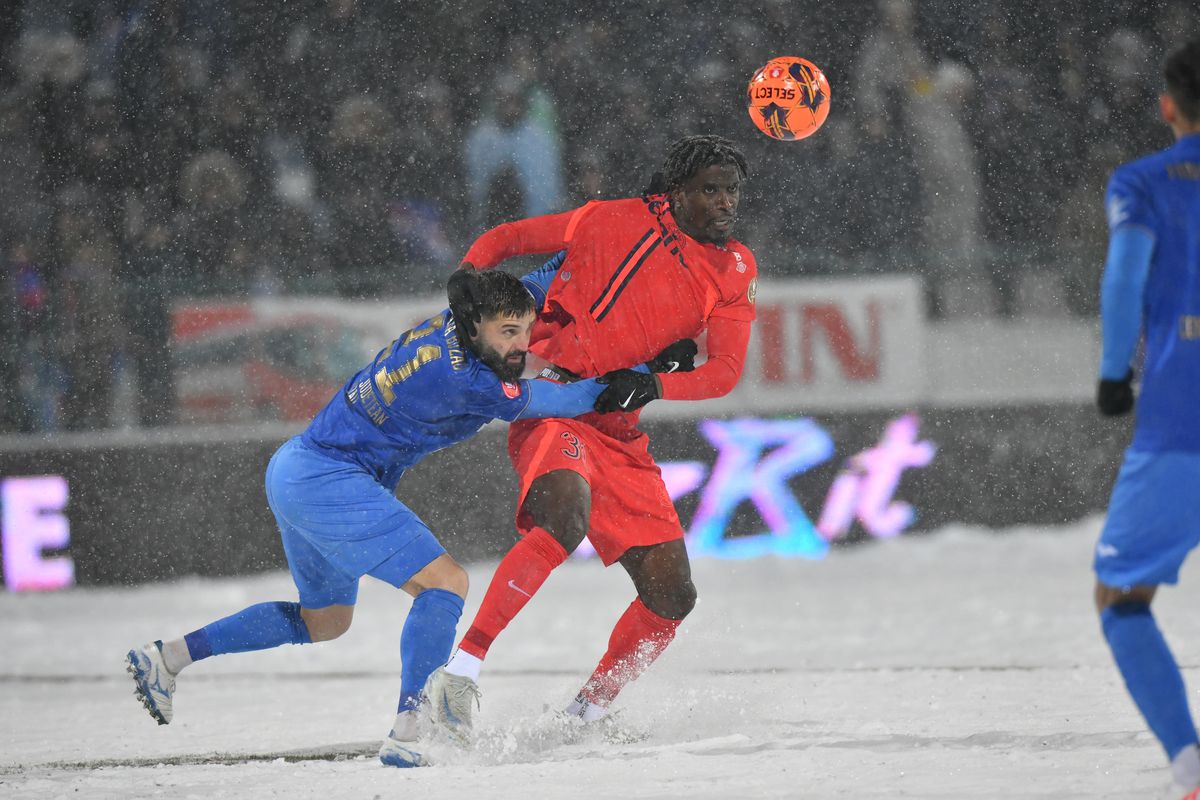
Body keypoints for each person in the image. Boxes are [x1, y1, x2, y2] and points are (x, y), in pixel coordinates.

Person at [124, 267, 692, 768]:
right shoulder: (470, 380)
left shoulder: (464, 320)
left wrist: (606, 239)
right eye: (509, 334)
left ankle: (168, 658)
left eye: (524, 329)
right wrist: (652, 369)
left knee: (325, 621)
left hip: (296, 468)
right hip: (329, 480)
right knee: (446, 583)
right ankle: (410, 731)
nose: (522, 345)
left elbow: (551, 270)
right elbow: (571, 401)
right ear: (477, 329)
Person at [426, 134, 757, 735]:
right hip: (556, 403)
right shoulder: (612, 220)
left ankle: (586, 713)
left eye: (731, 190)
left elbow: (725, 372)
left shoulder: (736, 268)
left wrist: (654, 385)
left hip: (620, 431)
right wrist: (469, 278)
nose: (725, 202)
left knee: (671, 597)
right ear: (677, 193)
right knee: (563, 520)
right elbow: (509, 239)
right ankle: (460, 672)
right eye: (710, 190)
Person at [1093, 38, 1200, 800]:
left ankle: (1191, 766)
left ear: (1168, 105)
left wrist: (1111, 376)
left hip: (1182, 418)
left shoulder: (1143, 182)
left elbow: (1125, 278)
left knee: (1121, 598)